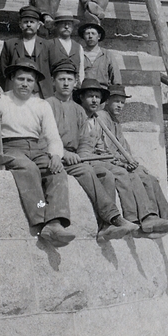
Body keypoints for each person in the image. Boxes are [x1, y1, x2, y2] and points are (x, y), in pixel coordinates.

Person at [77, 82, 168, 236]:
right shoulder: (101, 117)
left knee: (149, 177)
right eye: (116, 101)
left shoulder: (115, 122)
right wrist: (123, 163)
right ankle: (142, 219)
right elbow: (106, 149)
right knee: (130, 175)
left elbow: (125, 148)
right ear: (107, 101)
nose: (120, 105)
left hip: (116, 160)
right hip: (103, 160)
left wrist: (133, 162)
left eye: (122, 102)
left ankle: (165, 217)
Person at [0, 59, 75, 247]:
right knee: (29, 169)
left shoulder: (41, 104)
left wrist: (56, 155)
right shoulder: (1, 100)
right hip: (10, 148)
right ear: (12, 79)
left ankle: (55, 222)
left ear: (35, 84)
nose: (25, 84)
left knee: (57, 172)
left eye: (30, 80)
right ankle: (41, 218)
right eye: (21, 79)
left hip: (36, 148)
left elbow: (52, 136)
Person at [45, 63, 136, 242]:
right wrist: (62, 153)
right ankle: (114, 218)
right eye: (61, 79)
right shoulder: (46, 105)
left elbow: (84, 140)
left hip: (75, 159)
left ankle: (106, 227)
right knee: (87, 171)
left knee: (104, 174)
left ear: (74, 83)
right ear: (54, 82)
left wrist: (82, 156)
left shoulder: (79, 110)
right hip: (51, 156)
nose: (65, 83)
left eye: (69, 80)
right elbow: (42, 136)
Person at [0, 6, 52, 98]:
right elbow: (1, 73)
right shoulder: (10, 44)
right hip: (16, 95)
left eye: (32, 22)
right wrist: (11, 89)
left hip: (41, 95)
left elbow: (53, 71)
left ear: (38, 25)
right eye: (26, 22)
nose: (29, 25)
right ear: (20, 24)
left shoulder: (47, 45)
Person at [79, 16, 120, 87]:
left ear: (99, 36)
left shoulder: (107, 55)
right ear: (83, 36)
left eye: (93, 33)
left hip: (102, 90)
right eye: (87, 33)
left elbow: (117, 80)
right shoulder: (78, 53)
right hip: (83, 90)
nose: (90, 36)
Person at [46, 13, 83, 81]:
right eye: (63, 24)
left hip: (74, 85)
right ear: (56, 25)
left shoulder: (78, 47)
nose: (66, 27)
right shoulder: (48, 44)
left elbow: (81, 71)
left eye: (69, 24)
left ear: (73, 27)